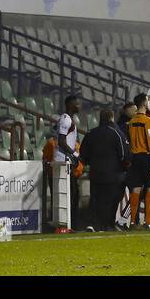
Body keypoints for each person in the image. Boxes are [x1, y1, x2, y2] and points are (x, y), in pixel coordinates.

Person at [80, 108, 126, 231]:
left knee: (94, 199)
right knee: (110, 200)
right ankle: (107, 225)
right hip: (113, 173)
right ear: (111, 118)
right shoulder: (116, 133)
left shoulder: (90, 133)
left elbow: (83, 154)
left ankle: (91, 224)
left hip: (95, 172)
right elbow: (124, 154)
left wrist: (91, 163)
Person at [125, 92, 150, 228]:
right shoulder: (148, 121)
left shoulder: (132, 121)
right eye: (148, 101)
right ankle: (149, 222)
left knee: (136, 188)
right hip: (146, 157)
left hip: (135, 158)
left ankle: (133, 221)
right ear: (144, 103)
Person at [53, 95, 82, 228]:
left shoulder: (67, 119)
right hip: (63, 161)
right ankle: (69, 224)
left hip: (66, 160)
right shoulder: (65, 120)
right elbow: (61, 141)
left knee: (74, 194)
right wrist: (75, 154)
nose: (79, 106)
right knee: (71, 195)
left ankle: (72, 223)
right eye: (77, 104)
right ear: (70, 104)